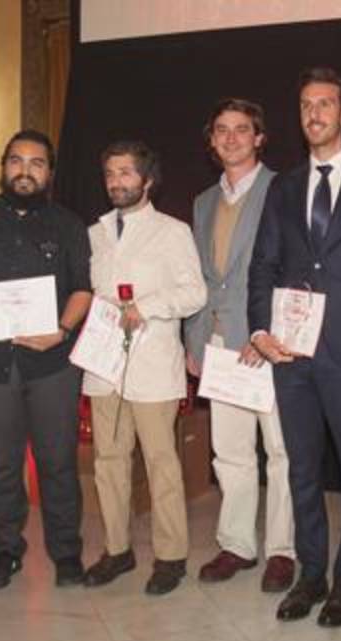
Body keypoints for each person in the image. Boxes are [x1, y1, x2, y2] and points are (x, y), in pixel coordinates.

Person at [246, 66, 341, 627]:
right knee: (302, 470)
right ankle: (312, 574)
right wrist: (259, 331)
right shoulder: (283, 187)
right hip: (290, 354)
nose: (315, 114)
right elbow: (263, 264)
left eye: (326, 104)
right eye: (306, 105)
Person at [0, 129, 92, 592]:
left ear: (49, 173)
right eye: (16, 160)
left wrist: (62, 330)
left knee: (57, 461)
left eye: (36, 163)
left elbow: (82, 288)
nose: (25, 170)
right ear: (3, 166)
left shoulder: (68, 224)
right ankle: (5, 551)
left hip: (53, 364)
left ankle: (66, 552)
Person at [82, 140, 207, 595]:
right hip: (104, 366)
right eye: (110, 173)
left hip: (152, 365)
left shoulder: (172, 231)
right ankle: (117, 550)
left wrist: (146, 307)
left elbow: (195, 293)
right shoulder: (95, 233)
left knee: (161, 463)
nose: (116, 181)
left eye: (126, 173)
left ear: (147, 180)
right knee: (108, 463)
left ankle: (171, 556)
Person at [184, 99, 296, 592]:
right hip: (217, 343)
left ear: (259, 138)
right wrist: (193, 338)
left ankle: (283, 551)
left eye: (242, 129)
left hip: (267, 343)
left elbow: (294, 268)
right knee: (229, 452)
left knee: (282, 451)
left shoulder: (284, 189)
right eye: (222, 130)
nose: (231, 138)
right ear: (212, 141)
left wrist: (264, 330)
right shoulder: (203, 201)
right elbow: (202, 277)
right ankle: (237, 544)